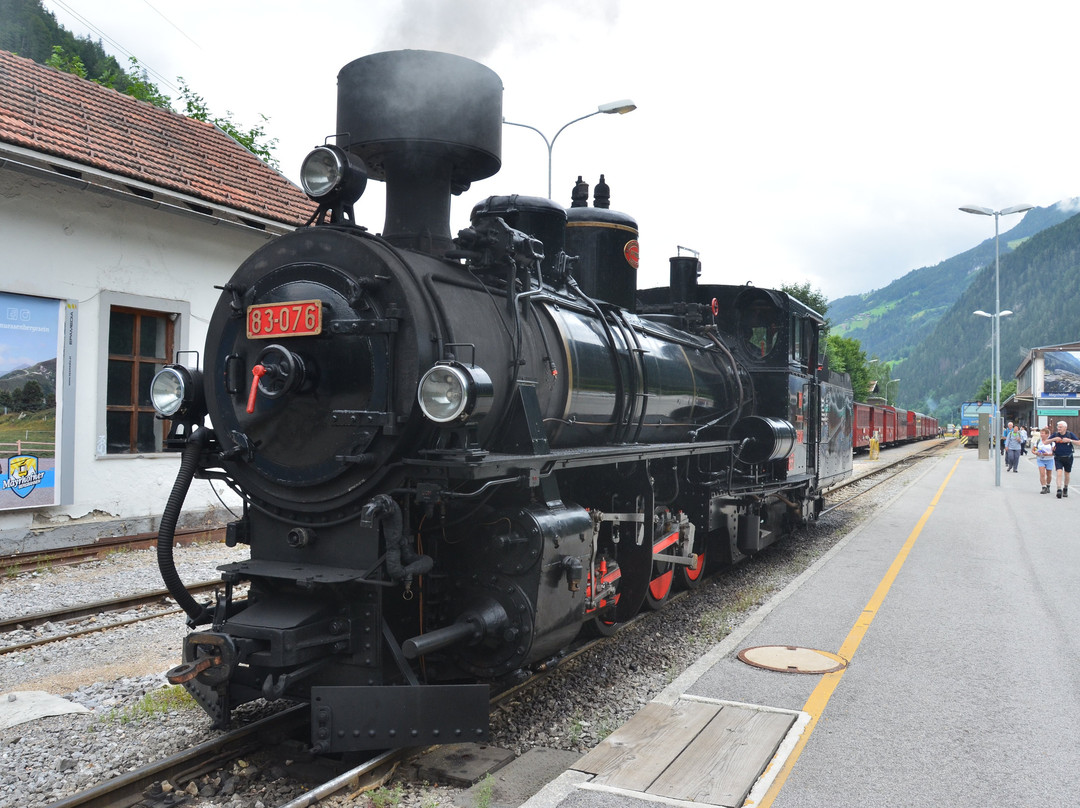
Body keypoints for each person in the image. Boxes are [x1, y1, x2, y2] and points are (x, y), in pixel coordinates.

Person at [1051, 420, 1080, 498]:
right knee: (1059, 473)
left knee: (1067, 474)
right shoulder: (1056, 434)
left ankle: (1065, 487)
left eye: (1060, 427)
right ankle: (1059, 489)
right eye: (1058, 427)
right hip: (1058, 457)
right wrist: (1053, 439)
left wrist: (1069, 440)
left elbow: (1079, 442)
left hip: (1068, 457)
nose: (1059, 428)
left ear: (1065, 428)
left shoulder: (1070, 434)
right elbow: (1046, 442)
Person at [1034, 427, 1056, 494]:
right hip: (1040, 459)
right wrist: (1036, 452)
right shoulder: (1038, 441)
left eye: (1043, 433)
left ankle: (1048, 485)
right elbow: (1034, 449)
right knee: (1042, 473)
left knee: (1049, 474)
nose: (1041, 434)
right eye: (1041, 433)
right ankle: (1043, 487)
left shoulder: (1052, 442)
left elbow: (1054, 452)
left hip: (1049, 459)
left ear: (1047, 434)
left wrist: (1048, 454)